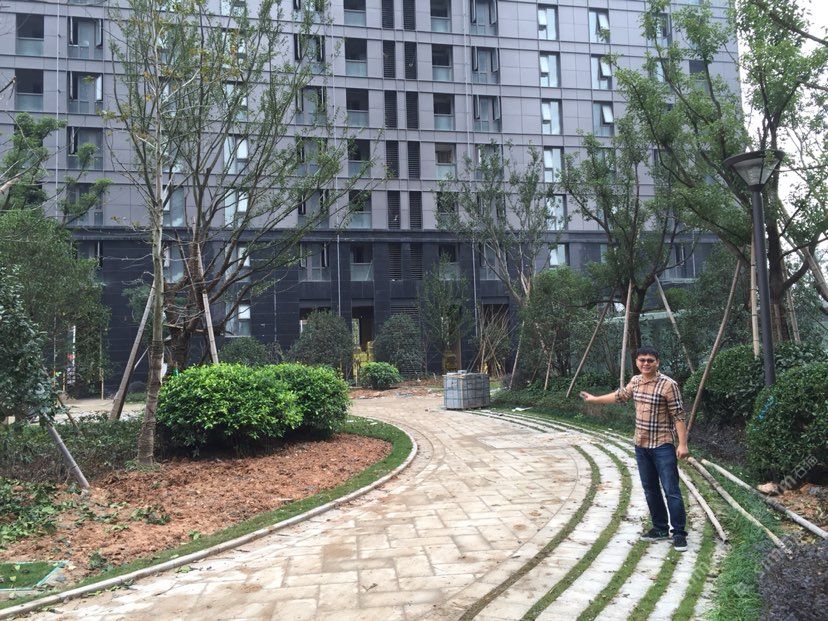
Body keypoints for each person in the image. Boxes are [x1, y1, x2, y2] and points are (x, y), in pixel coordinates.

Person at [579, 346, 690, 552]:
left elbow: (678, 415)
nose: (646, 363)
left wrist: (682, 444)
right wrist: (594, 399)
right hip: (641, 445)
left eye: (650, 360)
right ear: (637, 362)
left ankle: (679, 534)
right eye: (642, 360)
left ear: (657, 362)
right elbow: (620, 396)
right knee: (650, 489)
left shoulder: (669, 385)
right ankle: (660, 528)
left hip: (663, 445)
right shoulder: (636, 381)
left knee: (671, 490)